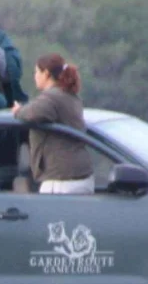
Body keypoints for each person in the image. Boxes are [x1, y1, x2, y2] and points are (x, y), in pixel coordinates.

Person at [12, 53, 95, 194]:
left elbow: (32, 113)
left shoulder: (51, 98)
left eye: (36, 72)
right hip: (81, 175)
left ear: (46, 74)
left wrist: (18, 111)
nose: (35, 76)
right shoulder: (69, 96)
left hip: (61, 179)